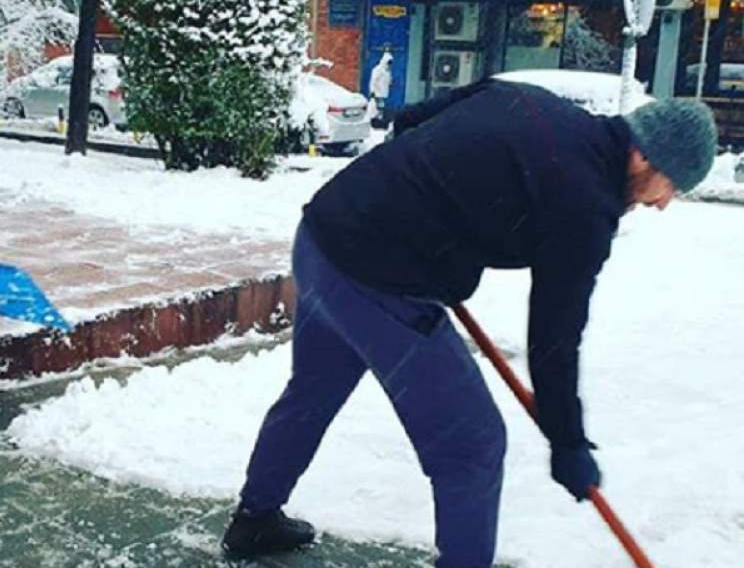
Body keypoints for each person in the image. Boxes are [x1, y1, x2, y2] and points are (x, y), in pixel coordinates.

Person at [222, 78, 717, 566]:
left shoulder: (534, 102)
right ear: (644, 156)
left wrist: (428, 191)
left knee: (313, 391)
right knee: (473, 444)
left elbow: (416, 116)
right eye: (671, 184)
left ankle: (255, 521)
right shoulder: (584, 204)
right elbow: (554, 337)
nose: (662, 202)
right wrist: (568, 441)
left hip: (322, 237)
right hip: (376, 280)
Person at [368, 50, 393, 128]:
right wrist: (373, 91)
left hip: (383, 93)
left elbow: (388, 81)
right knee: (374, 108)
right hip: (377, 93)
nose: (389, 64)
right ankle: (371, 122)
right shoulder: (377, 69)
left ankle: (379, 122)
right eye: (388, 62)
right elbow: (373, 81)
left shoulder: (387, 71)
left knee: (381, 109)